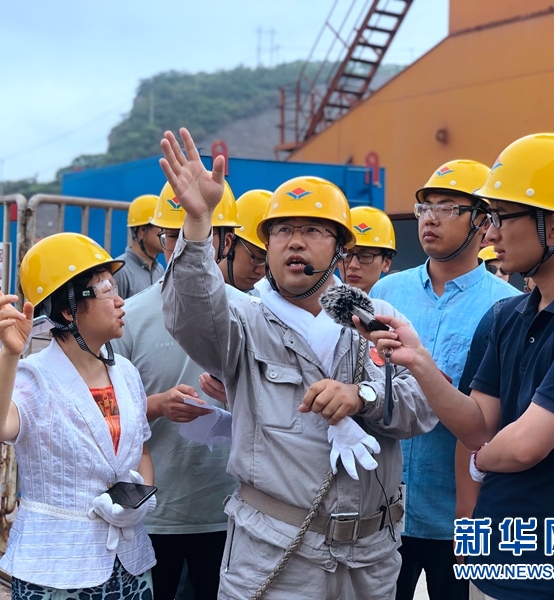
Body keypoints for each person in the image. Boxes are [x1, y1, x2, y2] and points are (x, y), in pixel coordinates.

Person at [159, 127, 436, 600]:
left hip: (371, 560)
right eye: (283, 230)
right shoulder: (243, 322)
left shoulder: (377, 319)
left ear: (340, 248)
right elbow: (192, 314)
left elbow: (423, 406)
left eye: (312, 230)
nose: (295, 242)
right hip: (275, 557)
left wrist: (363, 396)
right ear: (267, 246)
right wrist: (199, 222)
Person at [360, 133, 554, 599]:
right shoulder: (508, 316)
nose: (490, 234)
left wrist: (480, 461)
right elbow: (478, 427)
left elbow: (523, 447)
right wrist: (417, 360)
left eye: (501, 217)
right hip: (499, 554)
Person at [0, 232, 156, 600]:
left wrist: (137, 503)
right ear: (69, 310)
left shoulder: (125, 373)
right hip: (56, 568)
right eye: (106, 289)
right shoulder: (35, 377)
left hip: (128, 563)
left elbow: (143, 452)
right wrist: (9, 355)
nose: (120, 301)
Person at [368, 159, 518, 600]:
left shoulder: (507, 307)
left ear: (483, 222)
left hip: (460, 516)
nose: (430, 218)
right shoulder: (385, 294)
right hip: (382, 511)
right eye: (425, 207)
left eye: (448, 207)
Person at [111, 181, 245, 600]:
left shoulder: (250, 314)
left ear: (226, 242)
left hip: (230, 509)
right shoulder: (129, 317)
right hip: (153, 512)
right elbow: (105, 415)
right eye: (172, 236)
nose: (180, 247)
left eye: (193, 234)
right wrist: (156, 405)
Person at [218, 189, 270, 294]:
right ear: (229, 242)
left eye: (269, 264)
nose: (260, 271)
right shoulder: (193, 289)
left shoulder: (266, 297)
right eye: (258, 258)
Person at [114, 194, 165, 299]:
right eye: (163, 228)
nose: (167, 234)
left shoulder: (159, 270)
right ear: (142, 230)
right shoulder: (120, 271)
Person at [341, 206, 397, 293]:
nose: (353, 265)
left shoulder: (394, 301)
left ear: (386, 263)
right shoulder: (321, 300)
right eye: (346, 255)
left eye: (365, 256)